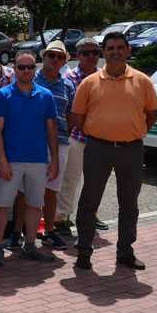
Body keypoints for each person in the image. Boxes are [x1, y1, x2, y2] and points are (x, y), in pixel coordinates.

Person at [69, 31, 157, 270]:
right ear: (104, 53)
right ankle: (84, 252)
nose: (115, 52)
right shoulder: (89, 83)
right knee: (89, 202)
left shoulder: (143, 81)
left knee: (129, 204)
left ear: (128, 51)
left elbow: (151, 115)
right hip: (98, 148)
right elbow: (78, 117)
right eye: (110, 48)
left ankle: (125, 252)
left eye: (120, 47)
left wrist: (132, 131)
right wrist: (98, 133)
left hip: (131, 150)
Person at [0, 51, 59, 266]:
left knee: (35, 205)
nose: (26, 71)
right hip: (11, 161)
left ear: (35, 69)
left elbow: (51, 130)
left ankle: (30, 246)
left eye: (30, 67)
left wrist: (54, 159)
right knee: (2, 206)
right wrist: (2, 160)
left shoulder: (45, 95)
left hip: (38, 160)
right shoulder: (3, 95)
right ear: (15, 69)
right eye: (21, 67)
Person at [55, 37, 109, 236]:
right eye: (87, 53)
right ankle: (61, 218)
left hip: (99, 139)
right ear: (78, 56)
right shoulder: (69, 78)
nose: (92, 56)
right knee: (71, 179)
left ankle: (90, 214)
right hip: (76, 138)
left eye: (95, 52)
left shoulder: (105, 76)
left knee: (95, 181)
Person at [33, 42, 77, 249]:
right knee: (27, 190)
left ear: (64, 61)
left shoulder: (68, 86)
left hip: (59, 144)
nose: (55, 59)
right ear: (44, 57)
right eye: (51, 55)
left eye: (60, 57)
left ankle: (49, 231)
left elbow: (69, 118)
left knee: (51, 190)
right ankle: (25, 233)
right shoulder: (30, 80)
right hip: (32, 143)